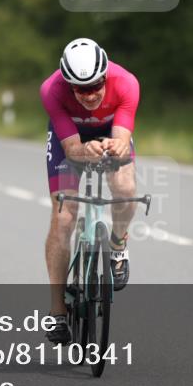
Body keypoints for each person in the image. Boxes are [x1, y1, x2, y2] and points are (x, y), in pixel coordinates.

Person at [40, 38, 140, 344]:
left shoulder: (126, 83)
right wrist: (85, 150)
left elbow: (122, 139)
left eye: (96, 85)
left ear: (105, 76)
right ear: (68, 85)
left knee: (125, 188)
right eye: (81, 89)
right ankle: (58, 311)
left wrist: (117, 146)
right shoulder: (51, 90)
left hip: (110, 133)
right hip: (69, 140)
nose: (91, 94)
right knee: (63, 217)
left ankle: (118, 246)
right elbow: (72, 149)